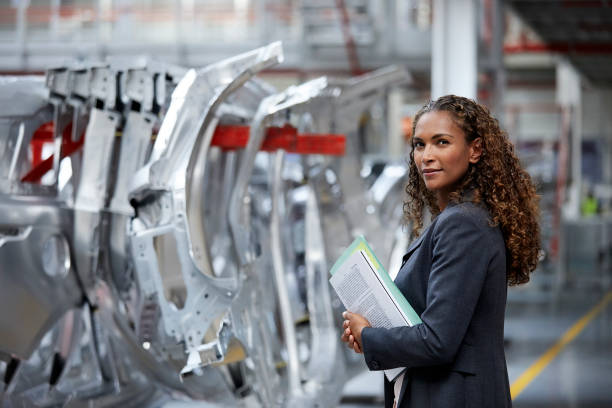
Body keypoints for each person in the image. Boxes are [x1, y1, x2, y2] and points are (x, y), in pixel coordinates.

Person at [340, 95, 540, 408]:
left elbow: (438, 341)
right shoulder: (460, 218)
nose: (426, 156)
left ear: (475, 150)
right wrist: (373, 338)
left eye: (441, 142)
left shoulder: (463, 223)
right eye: (419, 145)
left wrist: (369, 337)